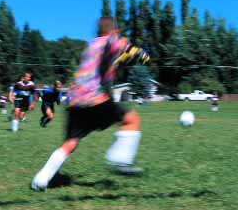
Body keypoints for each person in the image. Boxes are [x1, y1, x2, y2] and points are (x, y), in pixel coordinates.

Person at [31, 16, 150, 191]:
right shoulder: (111, 40)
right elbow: (118, 44)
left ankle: (41, 179)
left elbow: (102, 67)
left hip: (74, 100)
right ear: (114, 31)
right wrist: (138, 52)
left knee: (70, 143)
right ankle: (120, 158)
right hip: (94, 98)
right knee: (132, 120)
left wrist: (117, 61)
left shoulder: (91, 46)